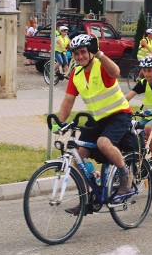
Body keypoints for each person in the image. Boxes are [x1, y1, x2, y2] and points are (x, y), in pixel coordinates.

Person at [55, 34, 134, 197]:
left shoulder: (101, 65)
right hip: (99, 120)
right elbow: (68, 101)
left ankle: (125, 175)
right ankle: (88, 195)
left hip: (120, 115)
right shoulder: (76, 75)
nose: (80, 56)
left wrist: (99, 54)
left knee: (103, 143)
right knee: (78, 155)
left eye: (83, 52)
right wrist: (58, 123)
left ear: (90, 51)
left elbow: (116, 72)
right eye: (76, 54)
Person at [125, 56, 152, 172]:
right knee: (134, 130)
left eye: (149, 70)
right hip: (148, 115)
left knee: (148, 128)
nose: (146, 74)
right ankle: (140, 156)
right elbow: (127, 97)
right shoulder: (143, 83)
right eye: (144, 70)